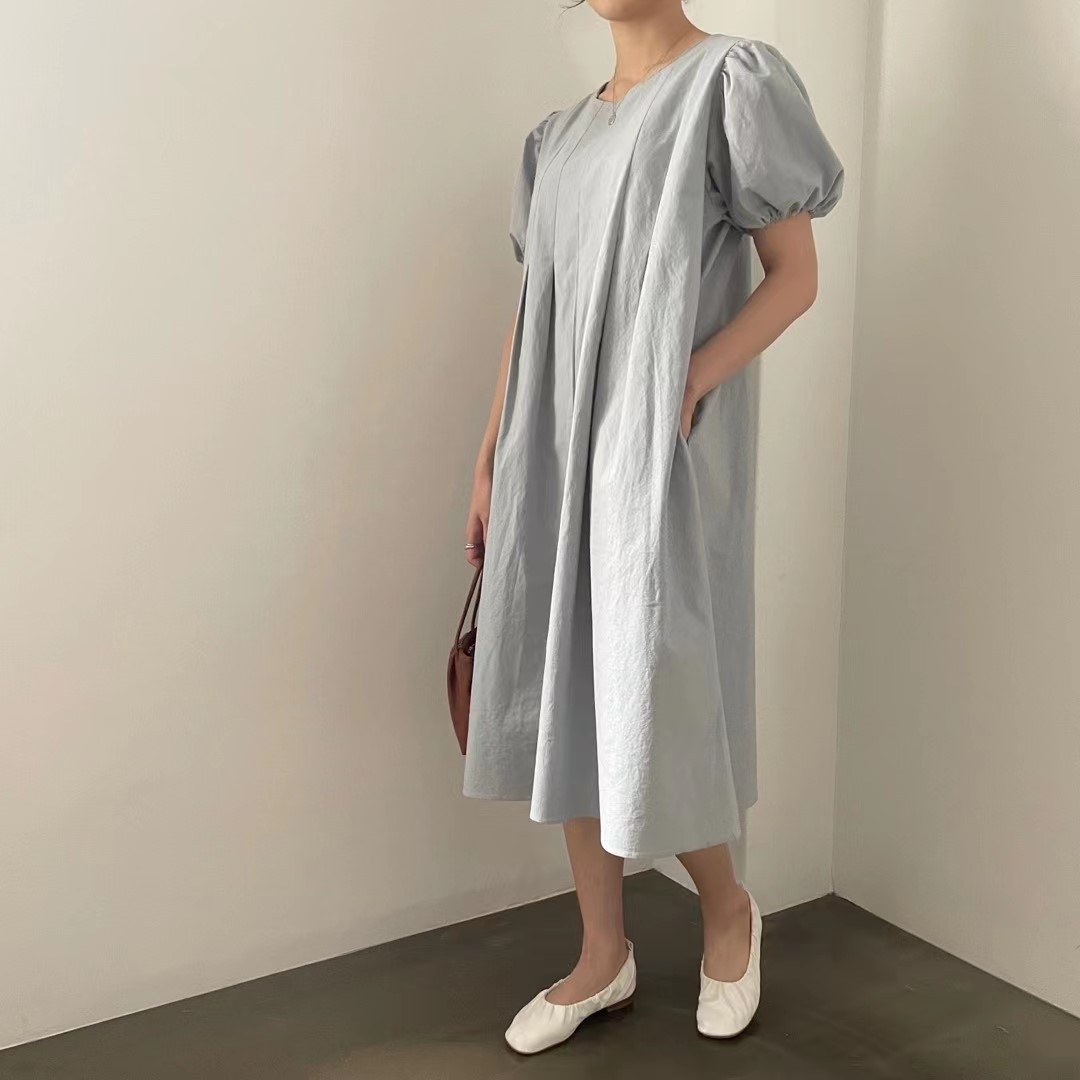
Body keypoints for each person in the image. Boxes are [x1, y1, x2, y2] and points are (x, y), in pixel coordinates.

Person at [461, 0, 844, 1054]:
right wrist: (491, 456)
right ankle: (602, 954)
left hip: (654, 451)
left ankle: (728, 910)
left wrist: (690, 379)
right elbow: (534, 306)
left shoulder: (733, 83)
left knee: (652, 686)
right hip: (549, 450)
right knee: (566, 689)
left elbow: (797, 277)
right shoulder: (557, 138)